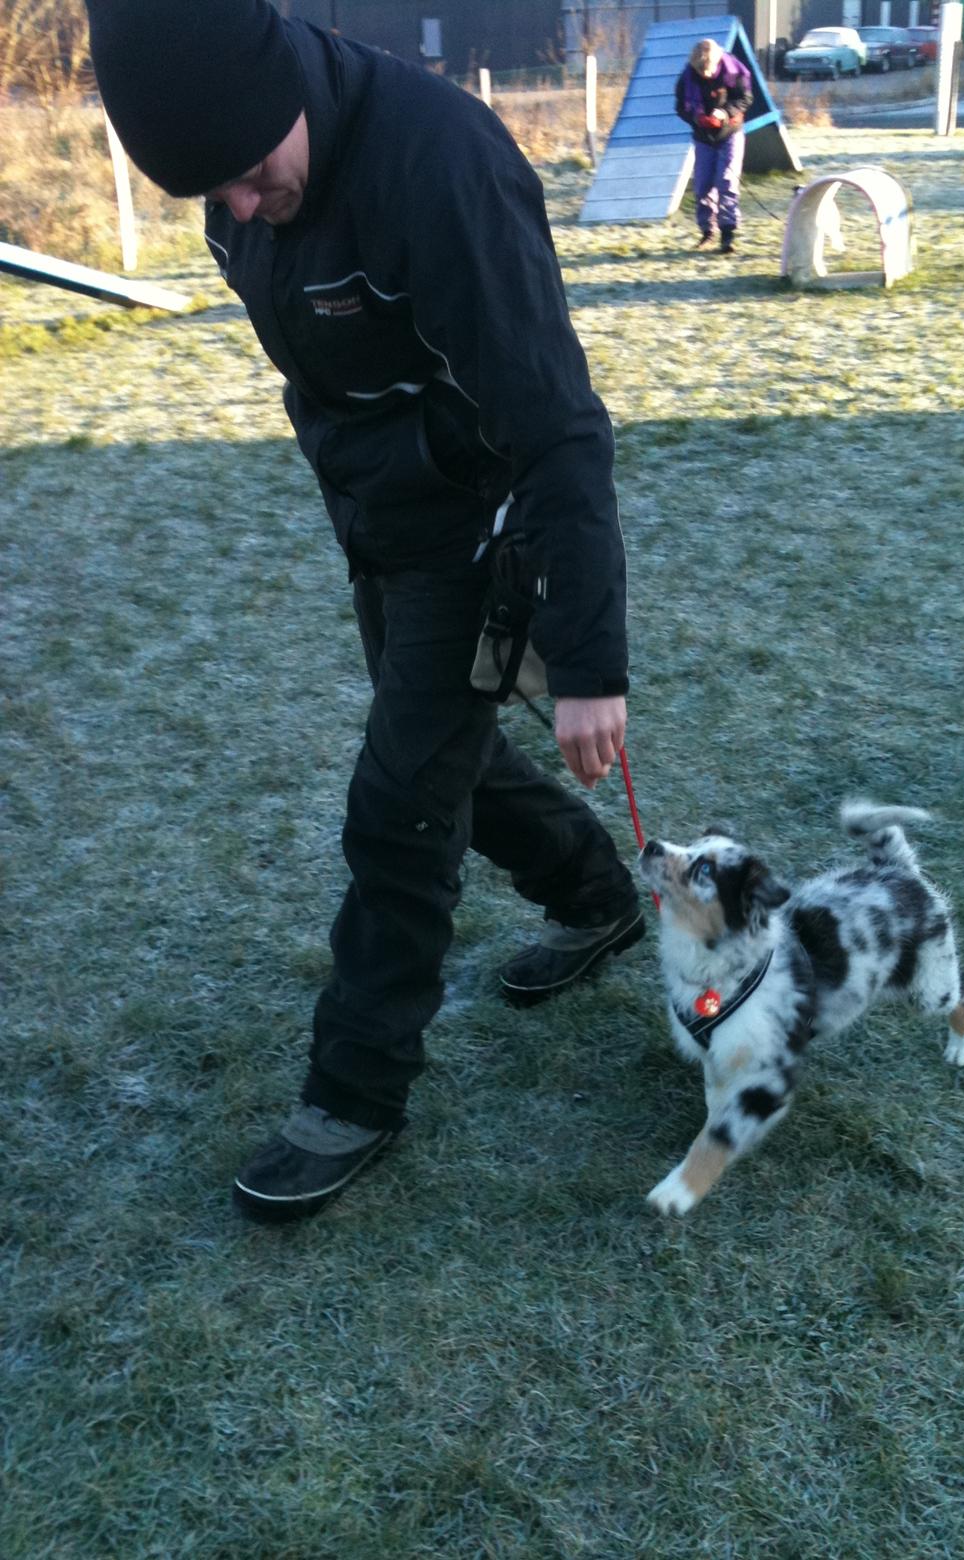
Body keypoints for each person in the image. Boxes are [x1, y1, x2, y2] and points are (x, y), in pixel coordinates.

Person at [85, 0, 644, 1221]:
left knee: (400, 809)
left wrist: (587, 660)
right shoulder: (240, 182)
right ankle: (598, 898)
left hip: (475, 531)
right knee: (450, 754)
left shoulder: (442, 168)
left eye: (247, 174)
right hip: (378, 516)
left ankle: (354, 1092)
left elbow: (558, 424)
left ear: (278, 90)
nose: (237, 208)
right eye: (210, 194)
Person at [674, 38, 753, 255]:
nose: (705, 75)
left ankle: (728, 234)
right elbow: (680, 107)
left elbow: (746, 98)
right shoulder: (686, 78)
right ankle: (707, 231)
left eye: (708, 71)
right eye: (700, 71)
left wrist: (725, 113)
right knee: (703, 185)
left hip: (730, 133)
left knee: (726, 181)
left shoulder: (734, 71)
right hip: (703, 137)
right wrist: (696, 117)